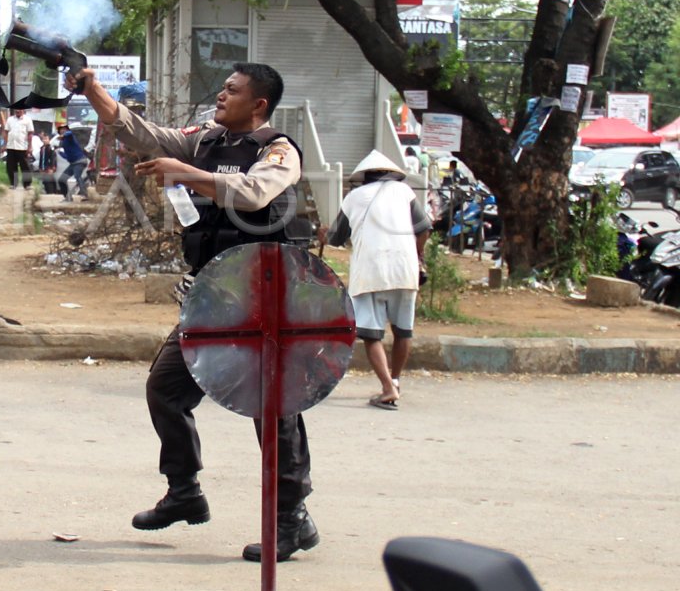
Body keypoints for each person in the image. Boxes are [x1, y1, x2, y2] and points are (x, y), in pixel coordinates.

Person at [65, 61, 317, 564]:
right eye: (223, 89)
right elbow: (139, 132)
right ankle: (185, 492)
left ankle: (292, 519)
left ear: (259, 104)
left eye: (232, 91)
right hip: (213, 295)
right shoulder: (204, 141)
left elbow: (254, 192)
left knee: (272, 409)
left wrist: (184, 174)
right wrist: (93, 91)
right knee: (166, 388)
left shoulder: (278, 150)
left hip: (266, 297)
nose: (221, 96)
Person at [321, 150, 431, 410]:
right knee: (403, 330)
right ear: (392, 174)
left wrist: (323, 234)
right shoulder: (405, 193)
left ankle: (387, 388)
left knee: (371, 335)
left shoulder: (354, 197)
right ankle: (395, 380)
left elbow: (336, 238)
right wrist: (417, 255)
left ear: (366, 177)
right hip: (405, 269)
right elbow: (424, 228)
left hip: (370, 270)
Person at [57, 123, 90, 201]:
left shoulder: (69, 137)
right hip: (73, 163)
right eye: (61, 130)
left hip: (80, 161)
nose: (62, 131)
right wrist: (60, 153)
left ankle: (85, 195)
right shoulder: (64, 142)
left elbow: (70, 133)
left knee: (77, 176)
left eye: (64, 129)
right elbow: (68, 156)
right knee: (62, 179)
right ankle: (67, 197)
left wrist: (64, 134)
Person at [3, 108, 33, 189]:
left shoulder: (27, 120)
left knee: (25, 166)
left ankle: (27, 184)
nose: (18, 111)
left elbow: (30, 133)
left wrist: (30, 146)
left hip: (22, 147)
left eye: (19, 109)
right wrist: (5, 144)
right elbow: (6, 132)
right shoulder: (10, 119)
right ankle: (13, 183)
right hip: (11, 146)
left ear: (23, 110)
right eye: (16, 109)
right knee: (11, 166)